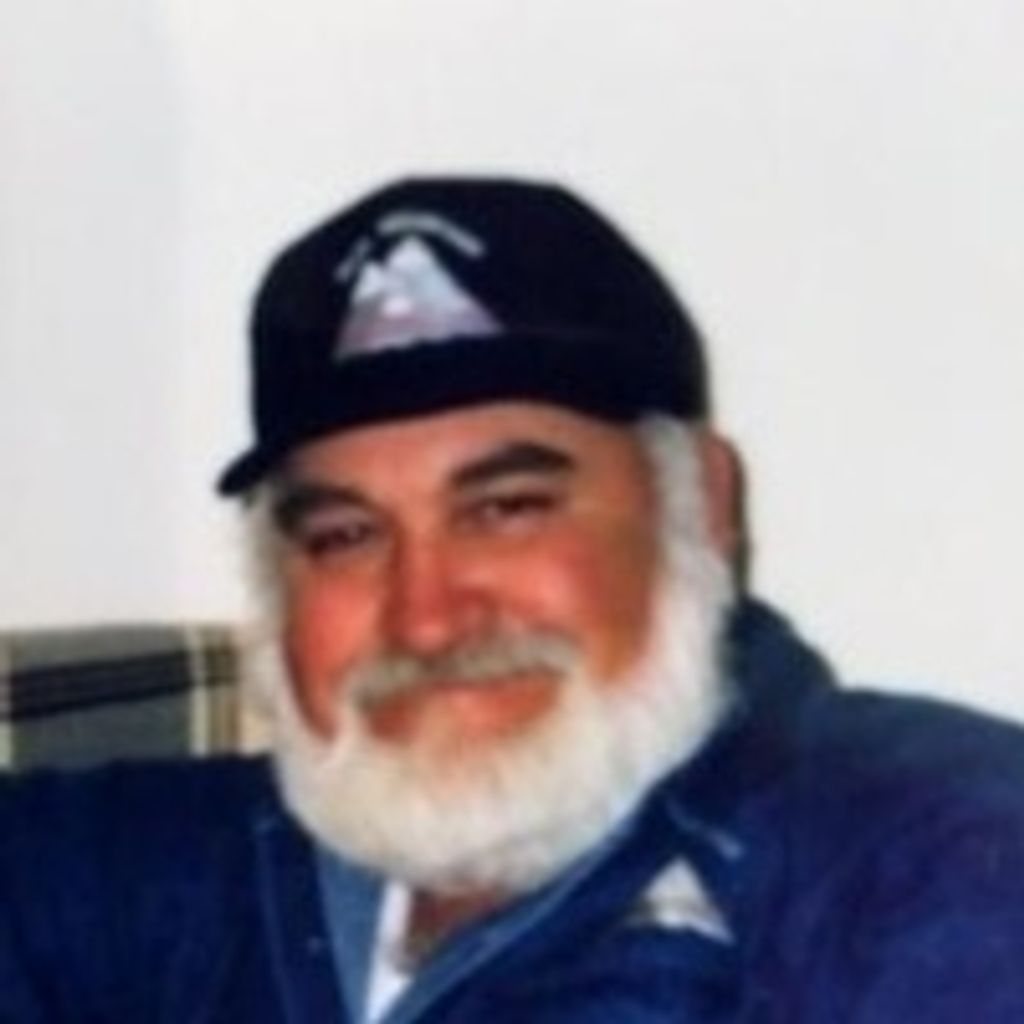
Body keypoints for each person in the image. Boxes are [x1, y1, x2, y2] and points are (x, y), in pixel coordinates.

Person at [2, 177, 1024, 1023]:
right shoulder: (158, 876)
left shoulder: (935, 858)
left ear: (704, 505)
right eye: (347, 535)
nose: (427, 618)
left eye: (506, 509)